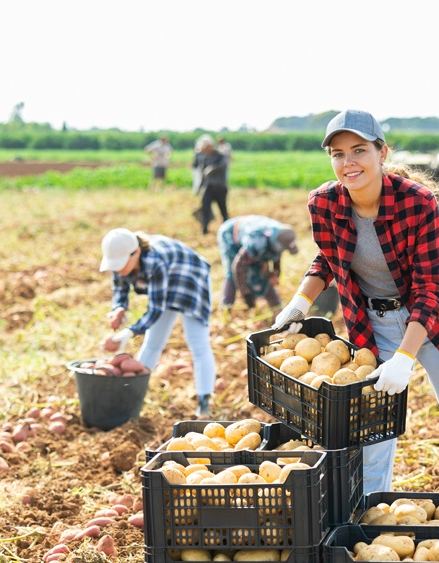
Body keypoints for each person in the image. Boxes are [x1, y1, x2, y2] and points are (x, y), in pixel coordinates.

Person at [273, 109, 439, 496]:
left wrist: (404, 357)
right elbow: (327, 259)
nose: (348, 163)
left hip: (436, 323)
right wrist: (300, 303)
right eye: (337, 154)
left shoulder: (417, 204)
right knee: (371, 441)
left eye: (358, 150)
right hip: (374, 325)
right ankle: (370, 534)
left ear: (382, 152)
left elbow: (430, 287)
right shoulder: (323, 203)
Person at [99, 228, 216, 418]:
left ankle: (204, 404)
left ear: (136, 252)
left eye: (121, 265)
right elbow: (120, 289)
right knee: (153, 342)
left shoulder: (155, 262)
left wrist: (128, 332)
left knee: (198, 342)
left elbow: (155, 310)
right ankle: (133, 398)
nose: (118, 269)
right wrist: (118, 308)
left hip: (191, 278)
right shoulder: (120, 259)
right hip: (166, 282)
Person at [216, 215, 298, 312]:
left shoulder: (283, 233)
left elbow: (276, 255)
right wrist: (246, 294)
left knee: (262, 268)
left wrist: (275, 272)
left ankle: (277, 307)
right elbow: (238, 267)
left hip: (250, 234)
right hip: (230, 235)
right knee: (231, 273)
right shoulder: (256, 242)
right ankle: (226, 307)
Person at [191, 135, 229, 234]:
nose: (203, 150)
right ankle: (205, 229)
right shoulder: (204, 158)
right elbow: (202, 175)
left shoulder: (221, 155)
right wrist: (199, 188)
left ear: (209, 146)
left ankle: (227, 228)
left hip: (220, 187)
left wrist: (211, 169)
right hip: (208, 187)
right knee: (205, 208)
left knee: (222, 209)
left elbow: (222, 166)